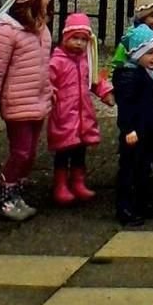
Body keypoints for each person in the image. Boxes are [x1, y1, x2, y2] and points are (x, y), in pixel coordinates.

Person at [0, 0, 54, 222]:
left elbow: (43, 65)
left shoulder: (41, 28)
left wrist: (50, 89)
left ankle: (16, 190)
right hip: (17, 102)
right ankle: (5, 190)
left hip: (38, 99)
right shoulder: (7, 31)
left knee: (31, 153)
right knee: (21, 152)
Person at [48, 11, 112, 205]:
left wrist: (106, 92)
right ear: (65, 37)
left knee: (79, 151)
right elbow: (47, 81)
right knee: (63, 152)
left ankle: (78, 181)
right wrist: (49, 93)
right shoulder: (57, 61)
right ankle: (60, 184)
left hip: (83, 114)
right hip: (64, 114)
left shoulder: (86, 60)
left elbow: (94, 80)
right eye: (75, 38)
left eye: (83, 39)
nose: (79, 43)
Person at [114, 23, 153, 227]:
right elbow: (126, 106)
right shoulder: (130, 76)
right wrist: (128, 129)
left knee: (145, 169)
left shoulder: (151, 74)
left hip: (149, 130)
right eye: (150, 53)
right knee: (129, 169)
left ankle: (144, 201)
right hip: (135, 131)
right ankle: (125, 207)